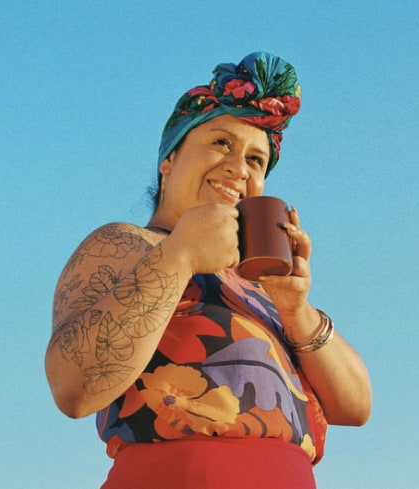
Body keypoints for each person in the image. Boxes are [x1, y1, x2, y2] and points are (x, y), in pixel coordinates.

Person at [45, 51, 372, 489]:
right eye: (221, 143)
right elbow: (74, 387)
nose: (239, 167)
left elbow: (357, 408)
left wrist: (296, 310)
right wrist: (179, 253)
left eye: (257, 160)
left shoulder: (261, 291)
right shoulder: (128, 244)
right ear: (169, 161)